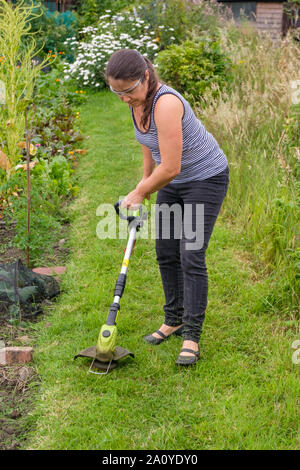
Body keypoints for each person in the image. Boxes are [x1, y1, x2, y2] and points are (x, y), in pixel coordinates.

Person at [105, 49, 229, 366]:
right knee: (166, 251)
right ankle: (173, 319)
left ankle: (191, 336)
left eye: (129, 90)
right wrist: (146, 183)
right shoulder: (136, 103)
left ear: (146, 76)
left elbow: (171, 166)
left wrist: (139, 191)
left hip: (205, 178)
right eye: (117, 92)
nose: (124, 99)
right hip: (170, 181)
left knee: (191, 253)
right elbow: (150, 144)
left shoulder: (167, 103)